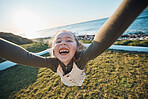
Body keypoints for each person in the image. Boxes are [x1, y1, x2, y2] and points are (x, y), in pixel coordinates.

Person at [0, 0, 147, 86]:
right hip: (66, 82)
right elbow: (25, 56)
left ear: (77, 47)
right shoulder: (51, 63)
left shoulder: (82, 58)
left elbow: (100, 43)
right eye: (58, 41)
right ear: (53, 50)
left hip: (79, 80)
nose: (62, 43)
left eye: (69, 40)